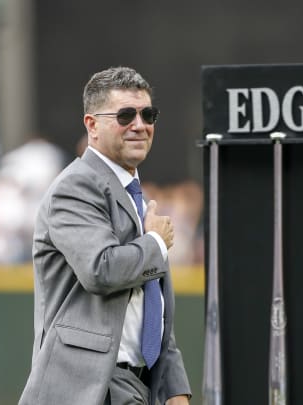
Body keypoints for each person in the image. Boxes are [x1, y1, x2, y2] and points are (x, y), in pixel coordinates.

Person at [19, 67, 191, 405]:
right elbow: (102, 269)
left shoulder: (132, 192)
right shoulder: (76, 185)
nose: (140, 124)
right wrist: (155, 242)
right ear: (92, 125)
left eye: (148, 114)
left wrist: (174, 386)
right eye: (126, 114)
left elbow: (149, 305)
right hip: (90, 388)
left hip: (136, 384)